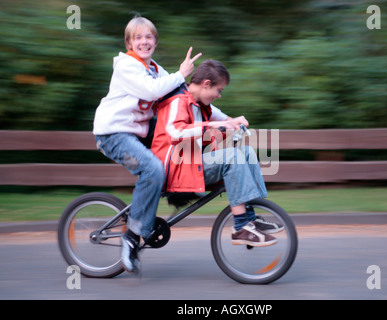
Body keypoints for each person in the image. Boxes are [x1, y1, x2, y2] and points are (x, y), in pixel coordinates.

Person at [93, 16, 202, 273]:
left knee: (181, 142)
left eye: (149, 37)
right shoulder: (126, 66)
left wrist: (225, 119)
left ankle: (176, 191)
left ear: (155, 41)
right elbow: (152, 91)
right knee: (152, 169)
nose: (144, 41)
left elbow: (184, 96)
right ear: (130, 42)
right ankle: (131, 238)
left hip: (138, 134)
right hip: (114, 135)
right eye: (138, 37)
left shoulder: (154, 68)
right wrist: (180, 73)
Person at [151, 60, 283, 247]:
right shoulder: (178, 101)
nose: (219, 95)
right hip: (174, 169)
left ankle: (251, 217)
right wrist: (210, 125)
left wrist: (235, 121)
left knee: (246, 152)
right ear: (206, 84)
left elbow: (221, 117)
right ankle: (241, 227)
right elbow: (174, 131)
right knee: (233, 157)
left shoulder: (200, 103)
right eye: (219, 90)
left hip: (189, 165)